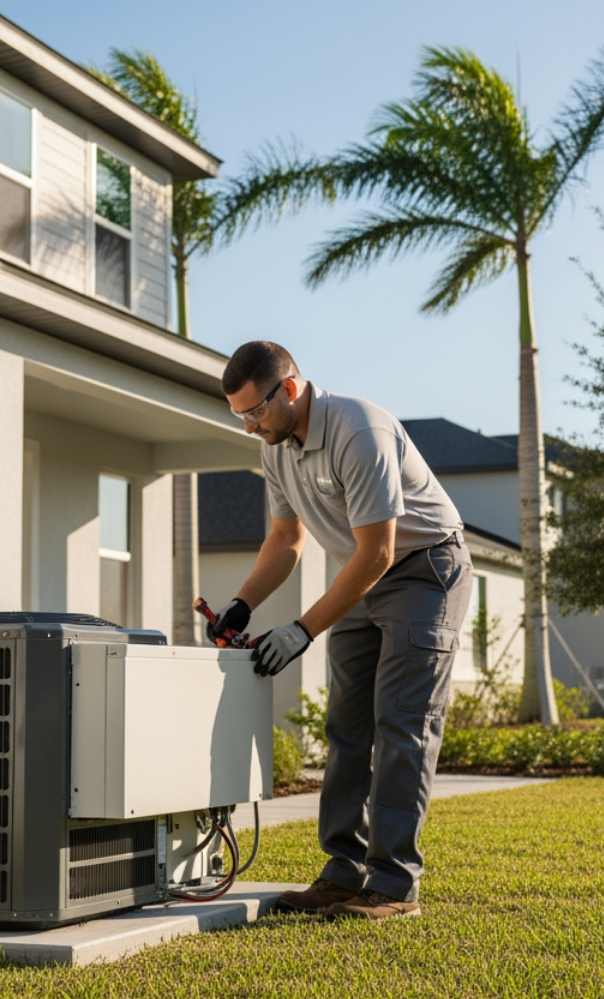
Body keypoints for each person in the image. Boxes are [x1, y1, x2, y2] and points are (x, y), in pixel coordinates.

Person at [209, 341, 472, 920]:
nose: (249, 426)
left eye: (255, 411)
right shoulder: (277, 449)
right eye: (239, 416)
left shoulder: (359, 430)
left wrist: (302, 629)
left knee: (401, 724)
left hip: (425, 568)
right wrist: (242, 604)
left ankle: (394, 884)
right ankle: (344, 870)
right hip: (364, 574)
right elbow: (286, 540)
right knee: (346, 727)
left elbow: (378, 550)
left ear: (292, 389)